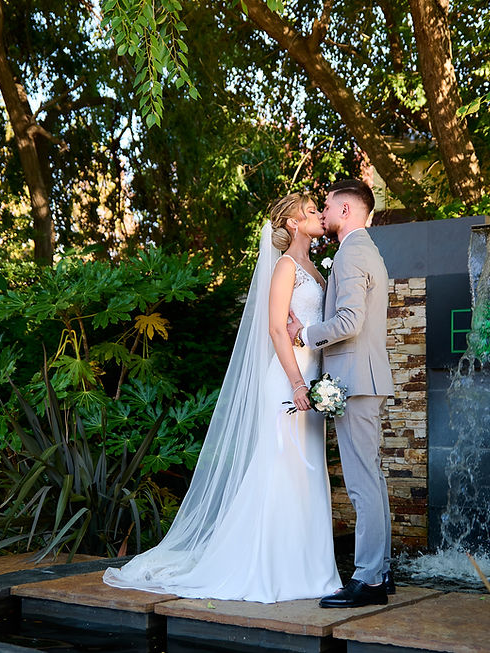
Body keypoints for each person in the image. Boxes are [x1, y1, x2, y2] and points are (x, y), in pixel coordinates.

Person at [102, 192, 341, 603]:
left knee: (307, 475)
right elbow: (274, 330)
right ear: (292, 224)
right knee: (284, 471)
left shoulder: (316, 271)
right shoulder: (285, 267)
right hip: (288, 382)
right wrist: (298, 383)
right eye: (310, 211)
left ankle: (309, 568)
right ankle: (272, 570)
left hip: (313, 379)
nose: (320, 214)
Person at [287, 178, 395, 609]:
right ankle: (381, 573)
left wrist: (306, 333)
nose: (325, 212)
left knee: (361, 483)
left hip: (356, 380)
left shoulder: (351, 255)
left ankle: (368, 579)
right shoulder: (366, 250)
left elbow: (349, 321)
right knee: (373, 478)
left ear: (347, 210)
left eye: (328, 205)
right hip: (366, 379)